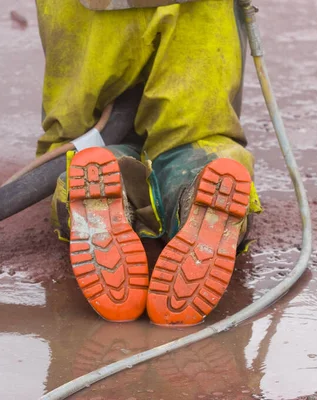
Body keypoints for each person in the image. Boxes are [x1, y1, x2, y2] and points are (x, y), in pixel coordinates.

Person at [36, 0, 262, 325]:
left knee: (83, 137)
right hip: (196, 12)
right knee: (196, 135)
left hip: (87, 13)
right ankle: (193, 189)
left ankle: (91, 183)